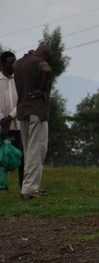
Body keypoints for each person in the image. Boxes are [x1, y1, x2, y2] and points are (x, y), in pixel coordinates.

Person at [14, 44, 52, 199]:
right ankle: (30, 189)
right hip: (36, 110)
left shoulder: (19, 62)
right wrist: (43, 88)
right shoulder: (38, 61)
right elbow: (46, 70)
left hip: (22, 110)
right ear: (44, 54)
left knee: (28, 149)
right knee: (37, 150)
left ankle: (29, 186)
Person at [0, 51, 24, 191]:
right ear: (3, 64)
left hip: (17, 123)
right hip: (2, 124)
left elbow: (22, 100)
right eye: (10, 63)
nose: (13, 65)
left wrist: (10, 116)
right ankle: (3, 185)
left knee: (21, 154)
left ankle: (23, 184)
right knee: (2, 155)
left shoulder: (18, 78)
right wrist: (3, 121)